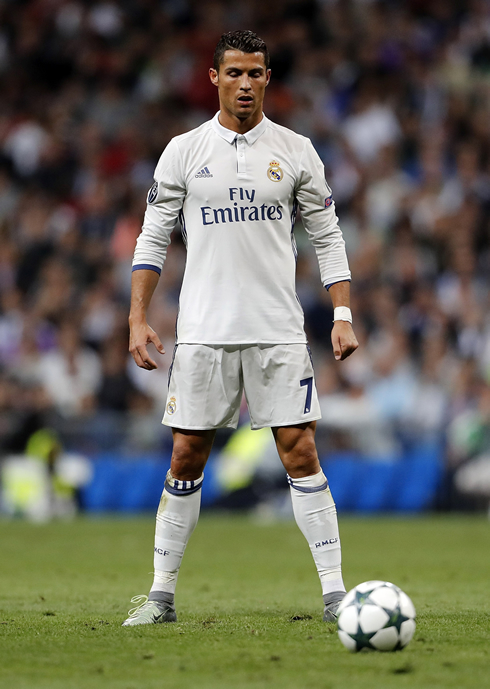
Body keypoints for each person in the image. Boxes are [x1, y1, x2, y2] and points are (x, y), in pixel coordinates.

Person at [123, 30, 358, 627]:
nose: (246, 84)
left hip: (277, 328)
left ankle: (335, 594)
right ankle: (160, 596)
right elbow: (153, 239)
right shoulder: (182, 150)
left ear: (268, 80)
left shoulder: (297, 150)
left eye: (256, 74)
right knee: (185, 455)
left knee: (300, 451)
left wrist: (342, 313)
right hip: (203, 328)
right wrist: (137, 317)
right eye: (235, 74)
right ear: (214, 78)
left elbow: (327, 237)